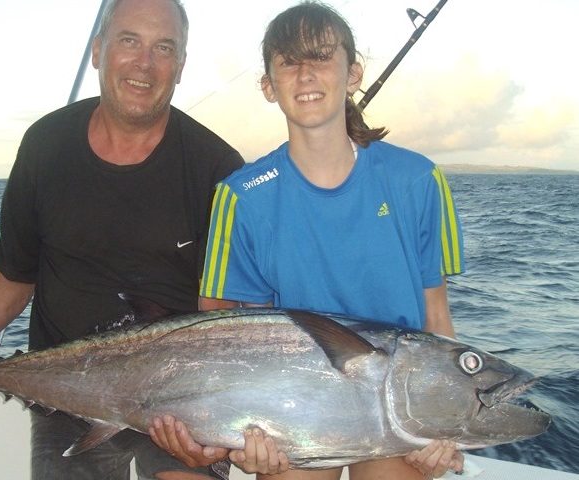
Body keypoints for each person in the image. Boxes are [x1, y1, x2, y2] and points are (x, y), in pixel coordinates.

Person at [150, 1, 466, 479]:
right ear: (268, 86)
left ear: (353, 72)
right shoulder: (241, 197)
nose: (305, 74)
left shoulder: (418, 180)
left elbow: (435, 315)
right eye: (288, 61)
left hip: (393, 399)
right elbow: (222, 331)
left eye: (321, 57)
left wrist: (447, 423)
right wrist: (246, 432)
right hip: (292, 404)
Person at [0, 0, 243, 479]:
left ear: (180, 67)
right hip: (68, 397)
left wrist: (213, 433)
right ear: (98, 51)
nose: (144, 63)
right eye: (128, 41)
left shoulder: (218, 169)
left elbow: (220, 315)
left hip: (179, 403)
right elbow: (18, 267)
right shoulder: (46, 144)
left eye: (163, 48)